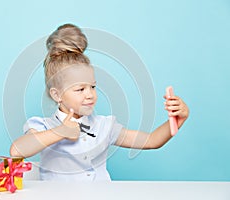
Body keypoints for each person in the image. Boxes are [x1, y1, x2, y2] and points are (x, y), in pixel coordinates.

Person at [10, 23, 189, 181]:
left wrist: (177, 121)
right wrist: (61, 132)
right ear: (57, 95)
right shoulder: (44, 126)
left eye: (92, 87)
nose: (90, 95)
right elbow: (17, 151)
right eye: (80, 89)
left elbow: (151, 140)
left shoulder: (104, 126)